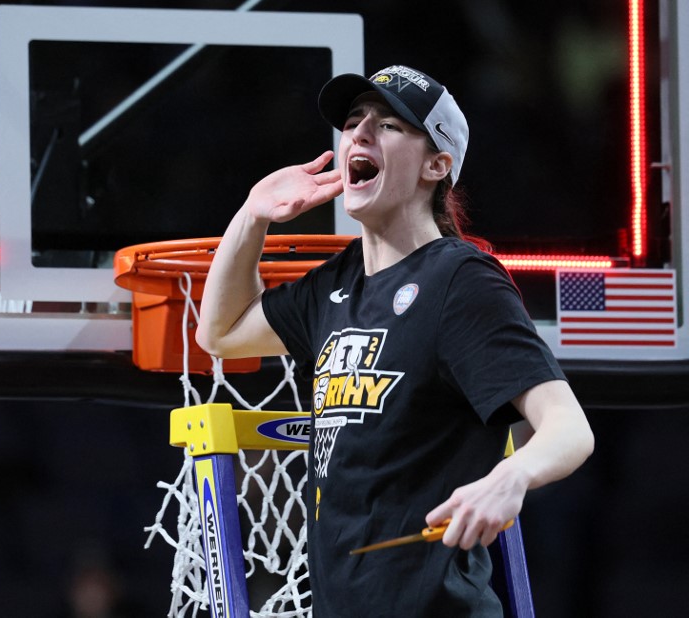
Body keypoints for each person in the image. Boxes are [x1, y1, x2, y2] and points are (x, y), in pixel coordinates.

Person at [195, 65, 595, 616]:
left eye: (388, 125)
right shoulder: (336, 283)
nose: (359, 133)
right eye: (354, 121)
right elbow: (219, 332)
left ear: (437, 165)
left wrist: (513, 476)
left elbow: (570, 428)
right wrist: (253, 215)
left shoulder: (461, 281)